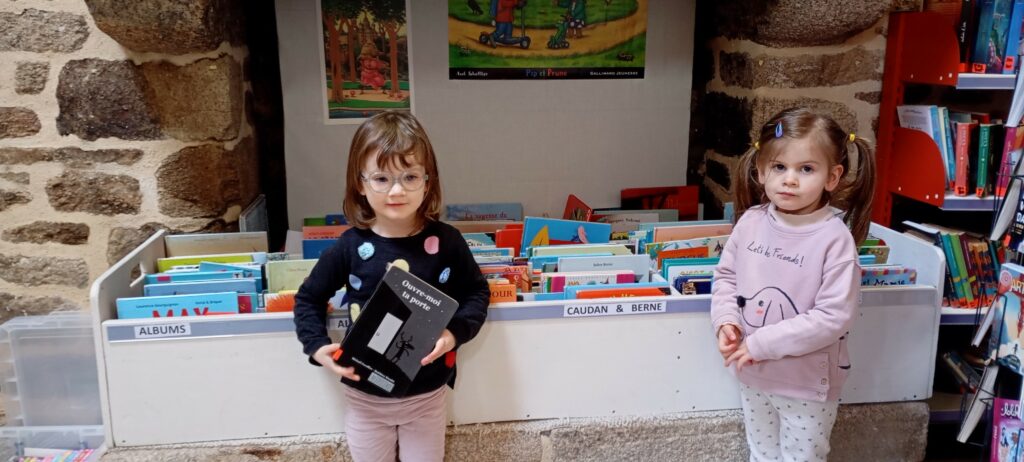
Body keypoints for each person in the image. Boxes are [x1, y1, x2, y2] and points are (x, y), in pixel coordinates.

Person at [293, 111, 490, 462]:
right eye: (381, 178)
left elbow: (477, 292)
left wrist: (454, 333)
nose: (396, 191)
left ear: (427, 181)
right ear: (360, 183)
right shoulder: (350, 246)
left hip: (426, 397)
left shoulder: (448, 242)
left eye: (409, 176)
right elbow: (308, 298)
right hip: (364, 399)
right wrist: (317, 346)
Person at [710, 107, 876, 461]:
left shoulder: (834, 240)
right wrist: (726, 321)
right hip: (753, 375)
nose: (789, 180)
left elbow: (833, 317)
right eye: (779, 167)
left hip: (805, 385)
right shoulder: (751, 223)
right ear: (761, 171)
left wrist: (761, 344)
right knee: (761, 454)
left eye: (806, 169)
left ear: (832, 177)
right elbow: (726, 278)